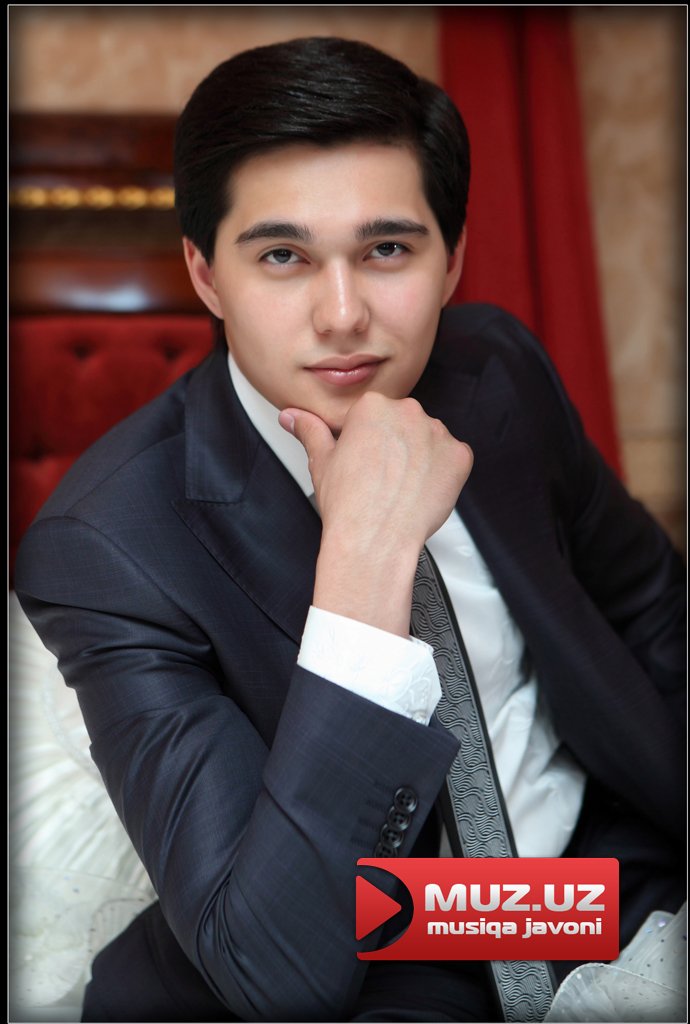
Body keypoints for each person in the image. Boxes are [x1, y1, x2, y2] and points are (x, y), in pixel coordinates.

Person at [15, 36, 685, 1023]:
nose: (343, 315)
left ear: (452, 259)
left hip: (607, 872)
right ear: (205, 274)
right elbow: (275, 969)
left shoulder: (496, 370)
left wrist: (591, 884)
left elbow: (652, 608)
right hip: (363, 958)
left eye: (387, 250)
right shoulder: (108, 543)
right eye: (282, 256)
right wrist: (368, 561)